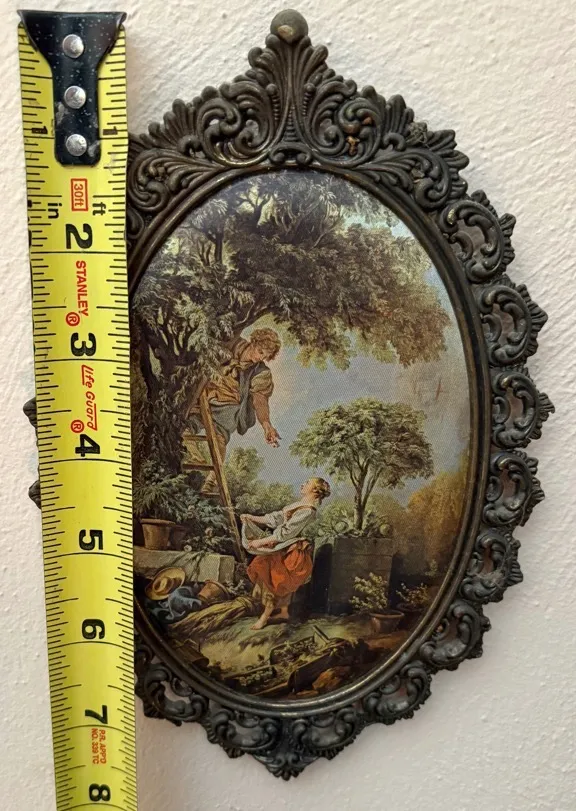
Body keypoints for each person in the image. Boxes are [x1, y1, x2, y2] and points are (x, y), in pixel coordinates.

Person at [188, 328, 282, 494]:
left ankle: (211, 480)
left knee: (219, 436)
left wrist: (266, 424)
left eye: (265, 356)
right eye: (260, 352)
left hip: (229, 403)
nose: (260, 358)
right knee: (189, 421)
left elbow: (260, 399)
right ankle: (192, 451)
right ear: (254, 342)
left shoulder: (261, 372)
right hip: (206, 391)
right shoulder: (231, 343)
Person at [240, 477, 331, 630]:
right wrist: (252, 518)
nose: (303, 484)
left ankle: (264, 618)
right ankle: (283, 612)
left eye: (307, 483)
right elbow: (276, 518)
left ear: (315, 490)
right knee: (272, 575)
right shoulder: (300, 505)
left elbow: (286, 533)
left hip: (293, 551)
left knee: (276, 581)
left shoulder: (308, 510)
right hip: (284, 546)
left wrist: (260, 542)